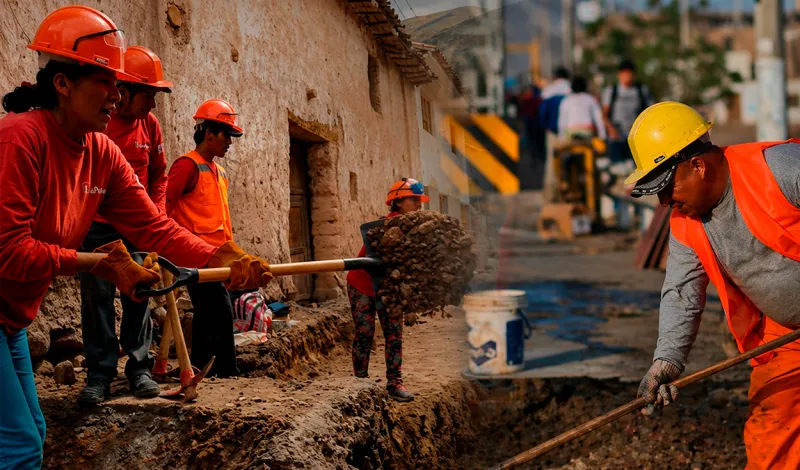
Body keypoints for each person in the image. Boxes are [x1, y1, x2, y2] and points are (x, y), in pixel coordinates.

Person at [0, 7, 272, 468]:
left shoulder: (101, 151)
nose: (116, 93)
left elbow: (155, 228)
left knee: (36, 433)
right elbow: (10, 254)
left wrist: (221, 258)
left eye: (118, 84)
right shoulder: (19, 140)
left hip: (12, 322)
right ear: (62, 83)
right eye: (104, 81)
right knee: (20, 447)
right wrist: (99, 263)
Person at [626, 101, 800, 470]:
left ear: (699, 166)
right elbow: (682, 291)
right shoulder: (685, 223)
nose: (663, 202)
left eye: (666, 187)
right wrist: (666, 363)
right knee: (772, 438)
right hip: (785, 338)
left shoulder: (781, 168)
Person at [77, 45, 173, 406]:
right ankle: (100, 374)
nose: (153, 105)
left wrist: (157, 213)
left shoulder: (151, 125)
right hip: (98, 227)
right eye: (149, 95)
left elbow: (159, 176)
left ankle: (139, 368)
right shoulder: (98, 125)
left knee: (141, 294)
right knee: (97, 298)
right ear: (126, 91)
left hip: (138, 228)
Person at [166, 99, 244, 378]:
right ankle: (226, 371)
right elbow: (163, 208)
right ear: (208, 133)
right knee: (221, 310)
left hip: (219, 255)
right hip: (195, 255)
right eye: (227, 135)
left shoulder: (219, 172)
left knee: (207, 312)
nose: (230, 143)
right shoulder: (186, 166)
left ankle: (200, 365)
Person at [345, 178, 429, 402]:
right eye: (414, 199)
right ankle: (359, 383)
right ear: (398, 201)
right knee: (365, 332)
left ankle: (394, 384)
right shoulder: (383, 227)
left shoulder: (416, 230)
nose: (419, 204)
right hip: (361, 283)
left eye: (419, 200)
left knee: (394, 333)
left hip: (388, 288)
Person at [601, 59, 653, 163]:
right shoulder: (612, 91)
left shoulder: (641, 90)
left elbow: (650, 111)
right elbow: (604, 115)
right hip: (617, 137)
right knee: (617, 167)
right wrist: (611, 130)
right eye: (624, 73)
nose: (627, 76)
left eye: (630, 73)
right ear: (619, 74)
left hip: (637, 138)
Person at [557, 76, 606, 141]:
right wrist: (602, 135)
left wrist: (561, 137)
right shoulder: (590, 99)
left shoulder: (566, 100)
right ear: (585, 86)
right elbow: (598, 118)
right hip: (588, 132)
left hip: (570, 133)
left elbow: (562, 121)